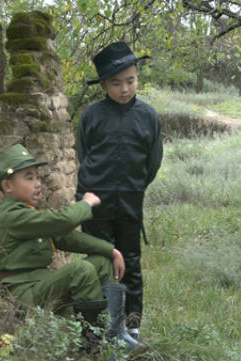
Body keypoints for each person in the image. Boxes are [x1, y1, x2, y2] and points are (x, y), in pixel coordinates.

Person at [0, 144, 144, 355]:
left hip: (40, 285)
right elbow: (63, 222)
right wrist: (86, 204)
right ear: (7, 186)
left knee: (100, 262)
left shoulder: (28, 212)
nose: (37, 184)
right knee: (81, 270)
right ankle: (94, 348)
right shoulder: (13, 216)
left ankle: (115, 334)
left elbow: (66, 237)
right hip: (22, 293)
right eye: (29, 178)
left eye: (37, 177)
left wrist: (111, 250)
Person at [77, 41, 163, 346]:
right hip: (95, 201)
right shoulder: (92, 115)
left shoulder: (148, 116)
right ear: (103, 85)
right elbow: (83, 154)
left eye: (130, 80)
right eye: (115, 83)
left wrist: (132, 185)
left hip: (130, 199)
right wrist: (95, 188)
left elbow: (153, 162)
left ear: (137, 77)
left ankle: (132, 327)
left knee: (131, 261)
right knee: (100, 260)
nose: (124, 88)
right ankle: (101, 329)